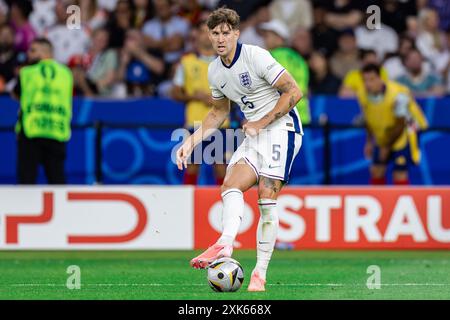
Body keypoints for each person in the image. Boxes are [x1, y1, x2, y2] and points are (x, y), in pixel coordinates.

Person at [175, 8, 303, 292]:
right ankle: (225, 244)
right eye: (215, 33)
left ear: (236, 34)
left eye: (225, 33)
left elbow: (293, 92)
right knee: (230, 185)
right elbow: (218, 111)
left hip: (282, 130)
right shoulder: (215, 70)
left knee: (265, 198)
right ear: (209, 35)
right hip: (255, 134)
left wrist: (261, 120)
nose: (220, 39)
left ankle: (260, 272)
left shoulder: (255, 56)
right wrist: (191, 141)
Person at [171, 19, 228, 185]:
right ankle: (187, 204)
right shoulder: (186, 62)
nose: (206, 35)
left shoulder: (226, 62)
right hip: (194, 121)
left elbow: (237, 92)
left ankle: (224, 204)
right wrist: (195, 97)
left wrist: (218, 98)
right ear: (196, 35)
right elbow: (175, 93)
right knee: (192, 164)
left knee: (220, 164)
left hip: (220, 122)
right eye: (203, 31)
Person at [13, 38, 73, 184]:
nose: (29, 54)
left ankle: (27, 207)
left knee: (27, 180)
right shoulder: (66, 73)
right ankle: (61, 207)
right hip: (56, 130)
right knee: (57, 180)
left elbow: (16, 94)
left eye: (33, 50)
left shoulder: (27, 72)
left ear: (45, 52)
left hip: (31, 130)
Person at [358, 64, 428, 185]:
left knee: (399, 173)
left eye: (372, 79)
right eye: (365, 80)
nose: (368, 84)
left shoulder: (399, 94)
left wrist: (386, 147)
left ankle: (404, 201)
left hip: (406, 132)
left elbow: (401, 123)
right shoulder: (362, 94)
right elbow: (368, 119)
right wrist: (369, 141)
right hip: (384, 135)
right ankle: (380, 199)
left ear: (381, 78)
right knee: (376, 170)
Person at [260, 19, 310, 124]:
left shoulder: (272, 56)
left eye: (268, 36)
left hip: (284, 115)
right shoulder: (299, 59)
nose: (264, 40)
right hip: (303, 114)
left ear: (279, 38)